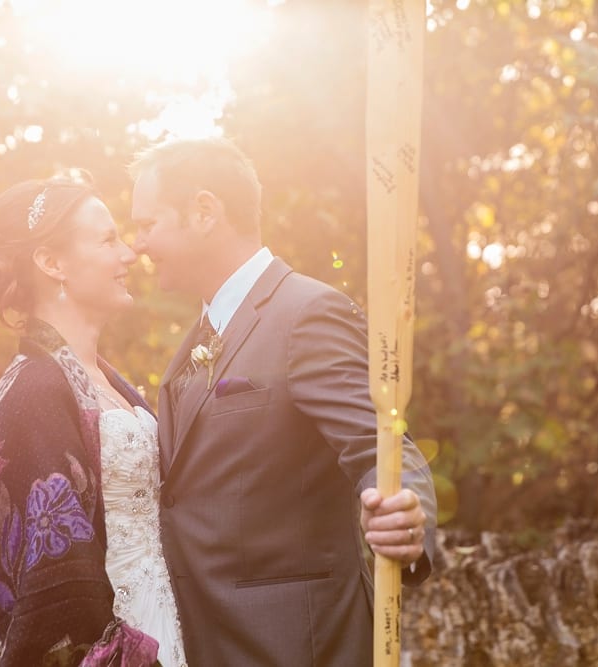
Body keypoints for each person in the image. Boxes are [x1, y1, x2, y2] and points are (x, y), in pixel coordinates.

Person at [129, 137, 438, 665]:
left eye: (147, 224)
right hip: (208, 642)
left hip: (294, 645)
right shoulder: (193, 343)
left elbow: (380, 446)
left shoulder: (307, 314)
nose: (138, 244)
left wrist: (408, 512)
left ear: (204, 212)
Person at [0, 175, 184, 666]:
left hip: (169, 622)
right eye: (107, 239)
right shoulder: (34, 388)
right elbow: (53, 575)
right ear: (52, 263)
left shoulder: (112, 383)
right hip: (118, 642)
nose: (129, 255)